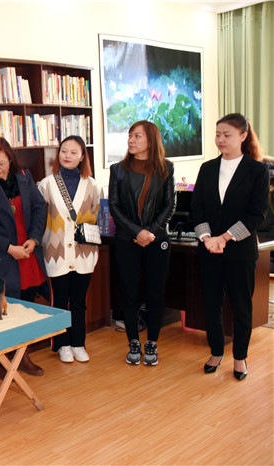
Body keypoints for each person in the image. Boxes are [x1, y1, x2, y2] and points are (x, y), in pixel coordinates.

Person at [191, 113, 268, 380]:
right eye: (217, 134)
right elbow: (197, 208)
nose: (220, 140)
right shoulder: (207, 168)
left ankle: (240, 357)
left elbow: (258, 215)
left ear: (243, 136)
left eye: (227, 135)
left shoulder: (257, 170)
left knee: (241, 306)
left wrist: (224, 238)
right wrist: (207, 239)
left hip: (240, 250)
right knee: (211, 303)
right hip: (209, 249)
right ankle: (215, 351)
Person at [0, 137, 48, 377]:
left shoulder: (24, 176)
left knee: (26, 309)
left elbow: (39, 207)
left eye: (1, 163)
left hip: (27, 253)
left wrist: (34, 238)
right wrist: (9, 247)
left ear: (10, 159)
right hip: (2, 257)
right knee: (3, 312)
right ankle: (5, 361)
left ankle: (23, 356)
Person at [109, 120, 175, 366]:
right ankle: (133, 342)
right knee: (129, 294)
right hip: (127, 240)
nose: (131, 140)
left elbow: (170, 205)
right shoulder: (118, 170)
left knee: (156, 294)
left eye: (137, 136)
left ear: (151, 140)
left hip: (157, 241)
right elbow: (114, 206)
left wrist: (150, 232)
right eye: (130, 135)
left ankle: (152, 343)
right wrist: (137, 232)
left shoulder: (166, 168)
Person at [38, 136, 100, 363]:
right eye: (64, 151)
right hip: (56, 252)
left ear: (82, 156)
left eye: (74, 152)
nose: (68, 156)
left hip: (84, 252)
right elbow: (40, 219)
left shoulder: (93, 185)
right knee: (59, 301)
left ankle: (78, 343)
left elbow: (97, 217)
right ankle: (62, 344)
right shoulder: (46, 185)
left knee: (79, 301)